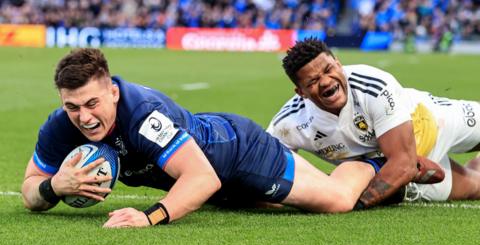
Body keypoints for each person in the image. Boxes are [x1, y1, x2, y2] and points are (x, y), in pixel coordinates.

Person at [22, 48, 389, 228]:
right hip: (209, 167)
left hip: (240, 154)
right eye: (73, 107)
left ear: (113, 93)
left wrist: (148, 218)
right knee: (265, 208)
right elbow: (30, 188)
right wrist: (54, 186)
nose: (84, 118)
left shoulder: (143, 115)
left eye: (92, 103)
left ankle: (369, 161)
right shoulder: (61, 125)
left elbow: (202, 177)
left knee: (337, 200)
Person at [267, 38, 480, 209]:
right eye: (312, 81)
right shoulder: (288, 124)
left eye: (328, 69)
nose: (325, 82)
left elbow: (404, 164)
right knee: (475, 188)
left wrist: (347, 200)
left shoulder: (372, 85)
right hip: (395, 165)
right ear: (301, 92)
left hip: (429, 120)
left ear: (339, 63)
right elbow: (264, 174)